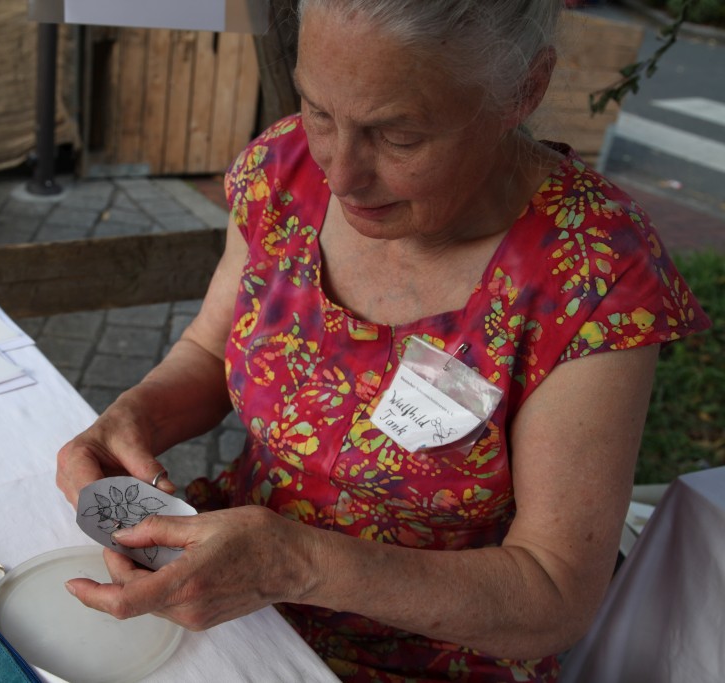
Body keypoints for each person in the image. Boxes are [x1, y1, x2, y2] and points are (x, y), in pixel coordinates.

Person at [56, 1, 711, 680]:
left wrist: (294, 562)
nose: (339, 175)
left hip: (426, 658)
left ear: (523, 89)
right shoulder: (285, 168)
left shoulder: (594, 270)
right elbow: (207, 351)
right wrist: (132, 419)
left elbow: (552, 594)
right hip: (227, 593)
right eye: (319, 110)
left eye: (398, 136)